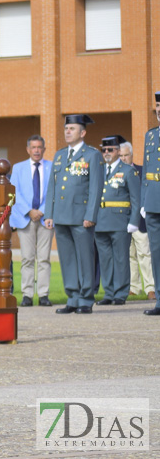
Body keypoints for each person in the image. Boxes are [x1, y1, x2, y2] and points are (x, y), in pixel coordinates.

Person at [44, 114, 103, 314]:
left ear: (83, 132)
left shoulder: (92, 155)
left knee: (85, 257)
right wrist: (49, 214)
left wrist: (91, 215)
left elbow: (96, 188)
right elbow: (52, 187)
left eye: (72, 129)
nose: (67, 132)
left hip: (81, 216)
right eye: (66, 128)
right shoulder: (59, 155)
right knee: (67, 258)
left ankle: (86, 298)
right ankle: (73, 297)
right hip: (61, 216)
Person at [94, 135, 139, 306]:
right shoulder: (98, 170)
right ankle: (109, 292)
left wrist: (133, 221)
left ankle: (120, 293)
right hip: (100, 220)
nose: (106, 153)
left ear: (118, 151)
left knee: (121, 258)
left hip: (120, 221)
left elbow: (136, 198)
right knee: (105, 259)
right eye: (103, 150)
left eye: (110, 150)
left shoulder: (128, 171)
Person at [10, 136, 54, 307]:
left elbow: (54, 191)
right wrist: (29, 211)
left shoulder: (51, 167)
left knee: (44, 258)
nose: (36, 150)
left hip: (46, 218)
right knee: (27, 258)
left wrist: (42, 210)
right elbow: (14, 192)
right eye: (33, 147)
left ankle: (43, 294)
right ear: (28, 149)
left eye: (39, 147)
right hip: (24, 218)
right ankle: (27, 294)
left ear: (44, 149)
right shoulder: (18, 168)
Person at [120, 141, 154, 299]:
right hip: (121, 221)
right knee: (129, 255)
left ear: (132, 155)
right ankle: (134, 286)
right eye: (120, 156)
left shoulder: (141, 171)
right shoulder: (114, 173)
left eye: (126, 155)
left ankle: (150, 288)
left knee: (145, 254)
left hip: (140, 221)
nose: (123, 158)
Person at [142, 93, 160, 315]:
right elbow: (147, 170)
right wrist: (144, 199)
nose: (159, 109)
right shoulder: (151, 136)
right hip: (154, 200)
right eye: (157, 105)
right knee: (156, 251)